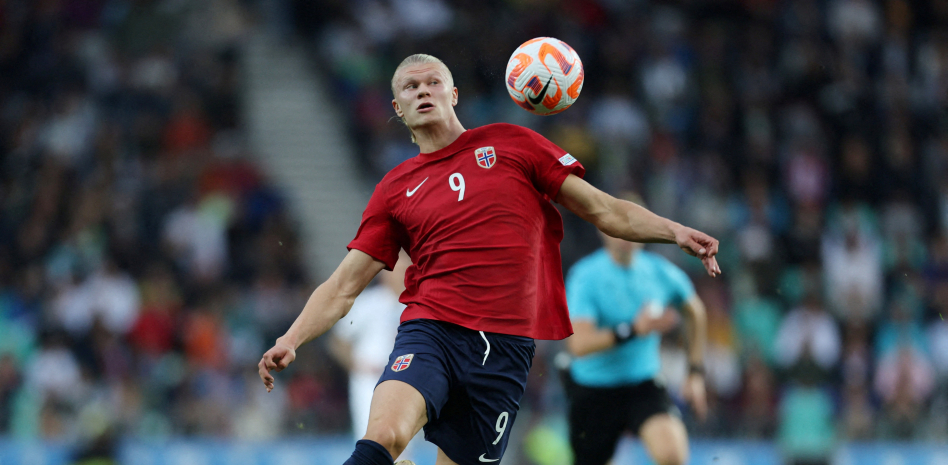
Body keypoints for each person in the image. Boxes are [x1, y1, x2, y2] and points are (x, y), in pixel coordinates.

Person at [257, 54, 721, 465]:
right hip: (432, 329)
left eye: (432, 82)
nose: (423, 91)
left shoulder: (514, 144)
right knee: (385, 435)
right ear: (397, 109)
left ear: (453, 93)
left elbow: (605, 209)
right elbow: (343, 285)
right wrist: (292, 337)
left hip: (506, 347)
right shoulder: (394, 189)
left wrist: (673, 230)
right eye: (410, 87)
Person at [562, 193, 708, 465]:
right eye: (618, 223)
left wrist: (695, 373)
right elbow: (578, 345)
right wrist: (632, 330)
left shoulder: (659, 272)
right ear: (602, 227)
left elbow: (695, 312)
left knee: (672, 456)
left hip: (643, 383)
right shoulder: (586, 276)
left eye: (632, 224)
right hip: (594, 389)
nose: (625, 232)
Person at [329, 252, 421, 459]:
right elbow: (338, 341)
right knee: (370, 439)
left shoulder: (417, 306)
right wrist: (357, 365)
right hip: (370, 381)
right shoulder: (369, 303)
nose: (402, 276)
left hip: (406, 378)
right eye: (398, 270)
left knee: (404, 443)